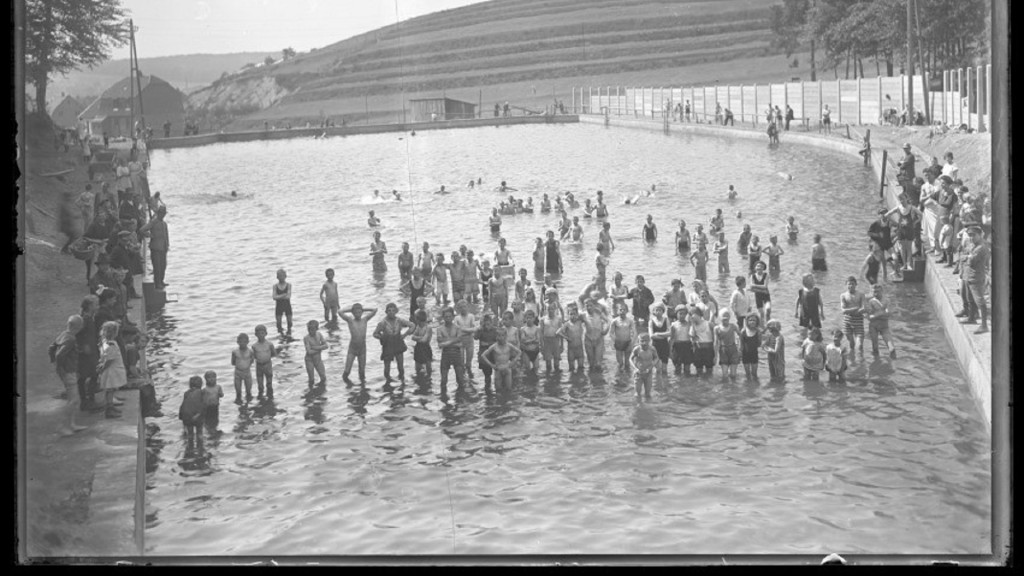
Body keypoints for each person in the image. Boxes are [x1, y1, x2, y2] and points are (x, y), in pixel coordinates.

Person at [50, 315, 86, 436]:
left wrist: (56, 364)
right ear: (79, 327)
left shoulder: (64, 334)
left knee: (73, 399)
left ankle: (71, 424)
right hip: (68, 372)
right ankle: (63, 426)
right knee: (74, 400)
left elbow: (52, 348)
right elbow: (59, 355)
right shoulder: (71, 339)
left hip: (69, 371)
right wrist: (60, 369)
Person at [373, 302, 413, 381]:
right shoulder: (383, 323)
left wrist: (404, 335)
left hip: (398, 343)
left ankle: (402, 382)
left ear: (396, 311)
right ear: (386, 312)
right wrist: (382, 338)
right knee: (387, 367)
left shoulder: (399, 320)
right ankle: (388, 383)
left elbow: (412, 325)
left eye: (393, 310)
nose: (391, 312)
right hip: (388, 345)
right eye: (389, 311)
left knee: (401, 366)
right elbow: (375, 334)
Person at [340, 303, 378, 383]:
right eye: (355, 312)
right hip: (352, 349)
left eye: (359, 312)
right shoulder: (350, 320)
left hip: (362, 349)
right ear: (353, 313)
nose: (358, 314)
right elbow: (340, 312)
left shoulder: (365, 319)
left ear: (362, 312)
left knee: (362, 371)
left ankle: (362, 390)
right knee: (347, 370)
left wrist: (362, 309)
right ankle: (347, 386)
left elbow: (375, 310)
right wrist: (351, 309)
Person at [961, 226, 990, 333]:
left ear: (979, 234)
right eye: (970, 235)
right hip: (969, 276)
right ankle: (971, 318)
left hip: (976, 277)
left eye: (974, 235)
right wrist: (967, 257)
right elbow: (963, 256)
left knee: (980, 301)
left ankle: (984, 325)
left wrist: (967, 257)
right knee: (970, 299)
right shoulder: (974, 245)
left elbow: (970, 261)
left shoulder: (981, 247)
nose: (971, 237)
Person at [75, 295, 101, 411]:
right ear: (90, 306)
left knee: (90, 375)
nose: (98, 306)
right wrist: (83, 345)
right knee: (89, 375)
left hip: (92, 349)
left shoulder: (89, 317)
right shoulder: (85, 319)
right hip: (87, 351)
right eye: (96, 304)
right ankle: (87, 400)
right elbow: (77, 333)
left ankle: (87, 400)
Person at [96, 320, 126, 419]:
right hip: (112, 371)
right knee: (110, 390)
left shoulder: (104, 342)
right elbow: (110, 359)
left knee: (111, 390)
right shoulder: (111, 345)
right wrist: (103, 367)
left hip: (111, 370)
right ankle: (109, 409)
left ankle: (111, 407)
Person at [436, 307, 466, 395]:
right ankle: (443, 397)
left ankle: (460, 398)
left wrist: (447, 342)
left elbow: (460, 341)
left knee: (460, 379)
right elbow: (439, 341)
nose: (448, 318)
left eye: (449, 316)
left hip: (456, 354)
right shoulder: (439, 329)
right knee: (443, 380)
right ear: (443, 317)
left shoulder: (457, 328)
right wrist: (454, 341)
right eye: (446, 317)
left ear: (453, 317)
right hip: (446, 354)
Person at [138, 205, 169, 290]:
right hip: (155, 248)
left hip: (163, 248)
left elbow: (166, 236)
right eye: (161, 213)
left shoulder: (164, 224)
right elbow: (142, 230)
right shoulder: (153, 222)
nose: (162, 215)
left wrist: (167, 245)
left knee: (163, 266)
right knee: (157, 267)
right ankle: (157, 283)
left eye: (164, 213)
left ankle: (161, 281)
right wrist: (150, 235)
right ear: (158, 213)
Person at [482, 328, 520, 394]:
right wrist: (492, 365)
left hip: (507, 368)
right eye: (499, 335)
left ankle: (507, 402)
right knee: (498, 391)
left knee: (509, 389)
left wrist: (513, 362)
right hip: (498, 369)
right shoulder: (494, 346)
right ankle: (499, 402)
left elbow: (519, 352)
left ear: (506, 336)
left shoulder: (509, 345)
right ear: (496, 337)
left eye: (502, 335)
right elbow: (483, 355)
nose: (501, 337)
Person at [865, 284, 898, 357]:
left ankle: (894, 364)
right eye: (874, 292)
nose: (876, 294)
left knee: (892, 348)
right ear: (871, 292)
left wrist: (877, 315)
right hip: (873, 327)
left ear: (882, 291)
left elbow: (888, 314)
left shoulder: (886, 301)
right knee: (875, 348)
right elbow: (868, 317)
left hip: (884, 327)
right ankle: (877, 364)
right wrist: (880, 314)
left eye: (878, 292)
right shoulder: (871, 302)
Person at [840, 276, 867, 353]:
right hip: (847, 322)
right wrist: (856, 308)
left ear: (856, 285)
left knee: (860, 346)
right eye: (849, 284)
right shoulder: (843, 295)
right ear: (846, 285)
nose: (850, 286)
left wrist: (851, 311)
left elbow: (864, 308)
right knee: (851, 344)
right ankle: (853, 361)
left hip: (858, 322)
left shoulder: (861, 295)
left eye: (852, 284)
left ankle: (861, 361)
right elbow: (843, 311)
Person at [178, 376, 205, 450]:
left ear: (190, 385)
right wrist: (199, 414)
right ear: (201, 384)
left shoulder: (186, 393)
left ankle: (190, 448)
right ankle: (200, 448)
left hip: (187, 417)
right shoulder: (202, 392)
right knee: (199, 432)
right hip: (197, 416)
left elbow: (183, 405)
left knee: (190, 434)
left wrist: (181, 416)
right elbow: (204, 405)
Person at [558, 304, 586, 372]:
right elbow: (558, 332)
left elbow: (584, 315)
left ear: (577, 314)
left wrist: (576, 306)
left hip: (580, 349)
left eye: (574, 314)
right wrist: (567, 338)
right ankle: (573, 381)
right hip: (571, 350)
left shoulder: (579, 322)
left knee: (581, 368)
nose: (572, 316)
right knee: (571, 369)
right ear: (568, 315)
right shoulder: (567, 324)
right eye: (570, 314)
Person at [630, 333, 658, 401]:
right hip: (638, 373)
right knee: (637, 394)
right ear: (638, 341)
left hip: (648, 373)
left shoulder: (652, 349)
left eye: (646, 341)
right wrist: (635, 368)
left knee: (648, 394)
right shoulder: (637, 349)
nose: (644, 343)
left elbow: (656, 358)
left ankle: (648, 408)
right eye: (642, 341)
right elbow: (630, 359)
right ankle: (638, 408)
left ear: (649, 341)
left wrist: (651, 366)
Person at [582, 300, 608, 372]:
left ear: (594, 306)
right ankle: (592, 379)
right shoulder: (583, 315)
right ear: (585, 306)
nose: (589, 307)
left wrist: (606, 330)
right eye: (587, 306)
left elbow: (608, 321)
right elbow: (573, 318)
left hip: (598, 339)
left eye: (591, 305)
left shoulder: (599, 313)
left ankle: (599, 379)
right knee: (591, 363)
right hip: (588, 339)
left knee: (598, 363)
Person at [714, 310, 740, 379]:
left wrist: (739, 347)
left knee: (733, 375)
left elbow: (740, 336)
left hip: (733, 349)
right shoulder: (717, 328)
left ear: (729, 317)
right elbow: (716, 342)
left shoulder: (733, 326)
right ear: (720, 317)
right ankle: (725, 388)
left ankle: (733, 388)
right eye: (723, 315)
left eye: (727, 315)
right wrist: (715, 355)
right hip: (723, 350)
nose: (725, 317)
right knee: (725, 375)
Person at [251, 324, 275, 400]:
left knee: (269, 382)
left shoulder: (269, 344)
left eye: (262, 333)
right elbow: (254, 356)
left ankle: (270, 397)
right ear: (256, 335)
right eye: (258, 333)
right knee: (260, 384)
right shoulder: (254, 346)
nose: (260, 335)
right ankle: (261, 397)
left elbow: (274, 353)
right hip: (259, 365)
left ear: (265, 333)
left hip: (268, 364)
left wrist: (267, 358)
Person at [303, 320, 329, 388]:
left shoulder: (319, 334)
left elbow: (326, 346)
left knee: (323, 377)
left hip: (318, 359)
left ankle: (321, 391)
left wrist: (315, 347)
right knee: (311, 379)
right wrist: (320, 348)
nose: (311, 331)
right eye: (309, 329)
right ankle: (311, 393)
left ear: (316, 329)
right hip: (309, 360)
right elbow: (309, 352)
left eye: (312, 329)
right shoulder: (306, 338)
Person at [231, 332, 255, 403]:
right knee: (238, 392)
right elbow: (233, 362)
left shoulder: (250, 351)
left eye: (244, 342)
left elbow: (252, 360)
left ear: (247, 342)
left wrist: (246, 365)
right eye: (240, 342)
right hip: (238, 372)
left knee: (248, 391)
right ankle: (239, 403)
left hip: (247, 372)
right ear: (237, 342)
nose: (242, 343)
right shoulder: (235, 352)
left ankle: (248, 404)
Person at [648, 303, 671, 376]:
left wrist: (658, 334)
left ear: (663, 311)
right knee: (657, 368)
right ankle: (657, 384)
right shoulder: (651, 321)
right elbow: (651, 336)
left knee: (664, 368)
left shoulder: (666, 320)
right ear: (653, 312)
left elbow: (670, 333)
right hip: (655, 346)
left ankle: (665, 382)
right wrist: (664, 336)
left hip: (664, 345)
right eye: (656, 310)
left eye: (660, 310)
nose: (658, 311)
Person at [739, 315, 762, 380]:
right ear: (747, 322)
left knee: (754, 374)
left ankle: (754, 387)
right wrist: (739, 353)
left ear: (757, 322)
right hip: (745, 355)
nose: (752, 322)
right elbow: (741, 344)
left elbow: (759, 343)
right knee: (747, 374)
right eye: (750, 320)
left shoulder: (758, 332)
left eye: (754, 320)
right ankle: (748, 387)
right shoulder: (743, 331)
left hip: (754, 354)